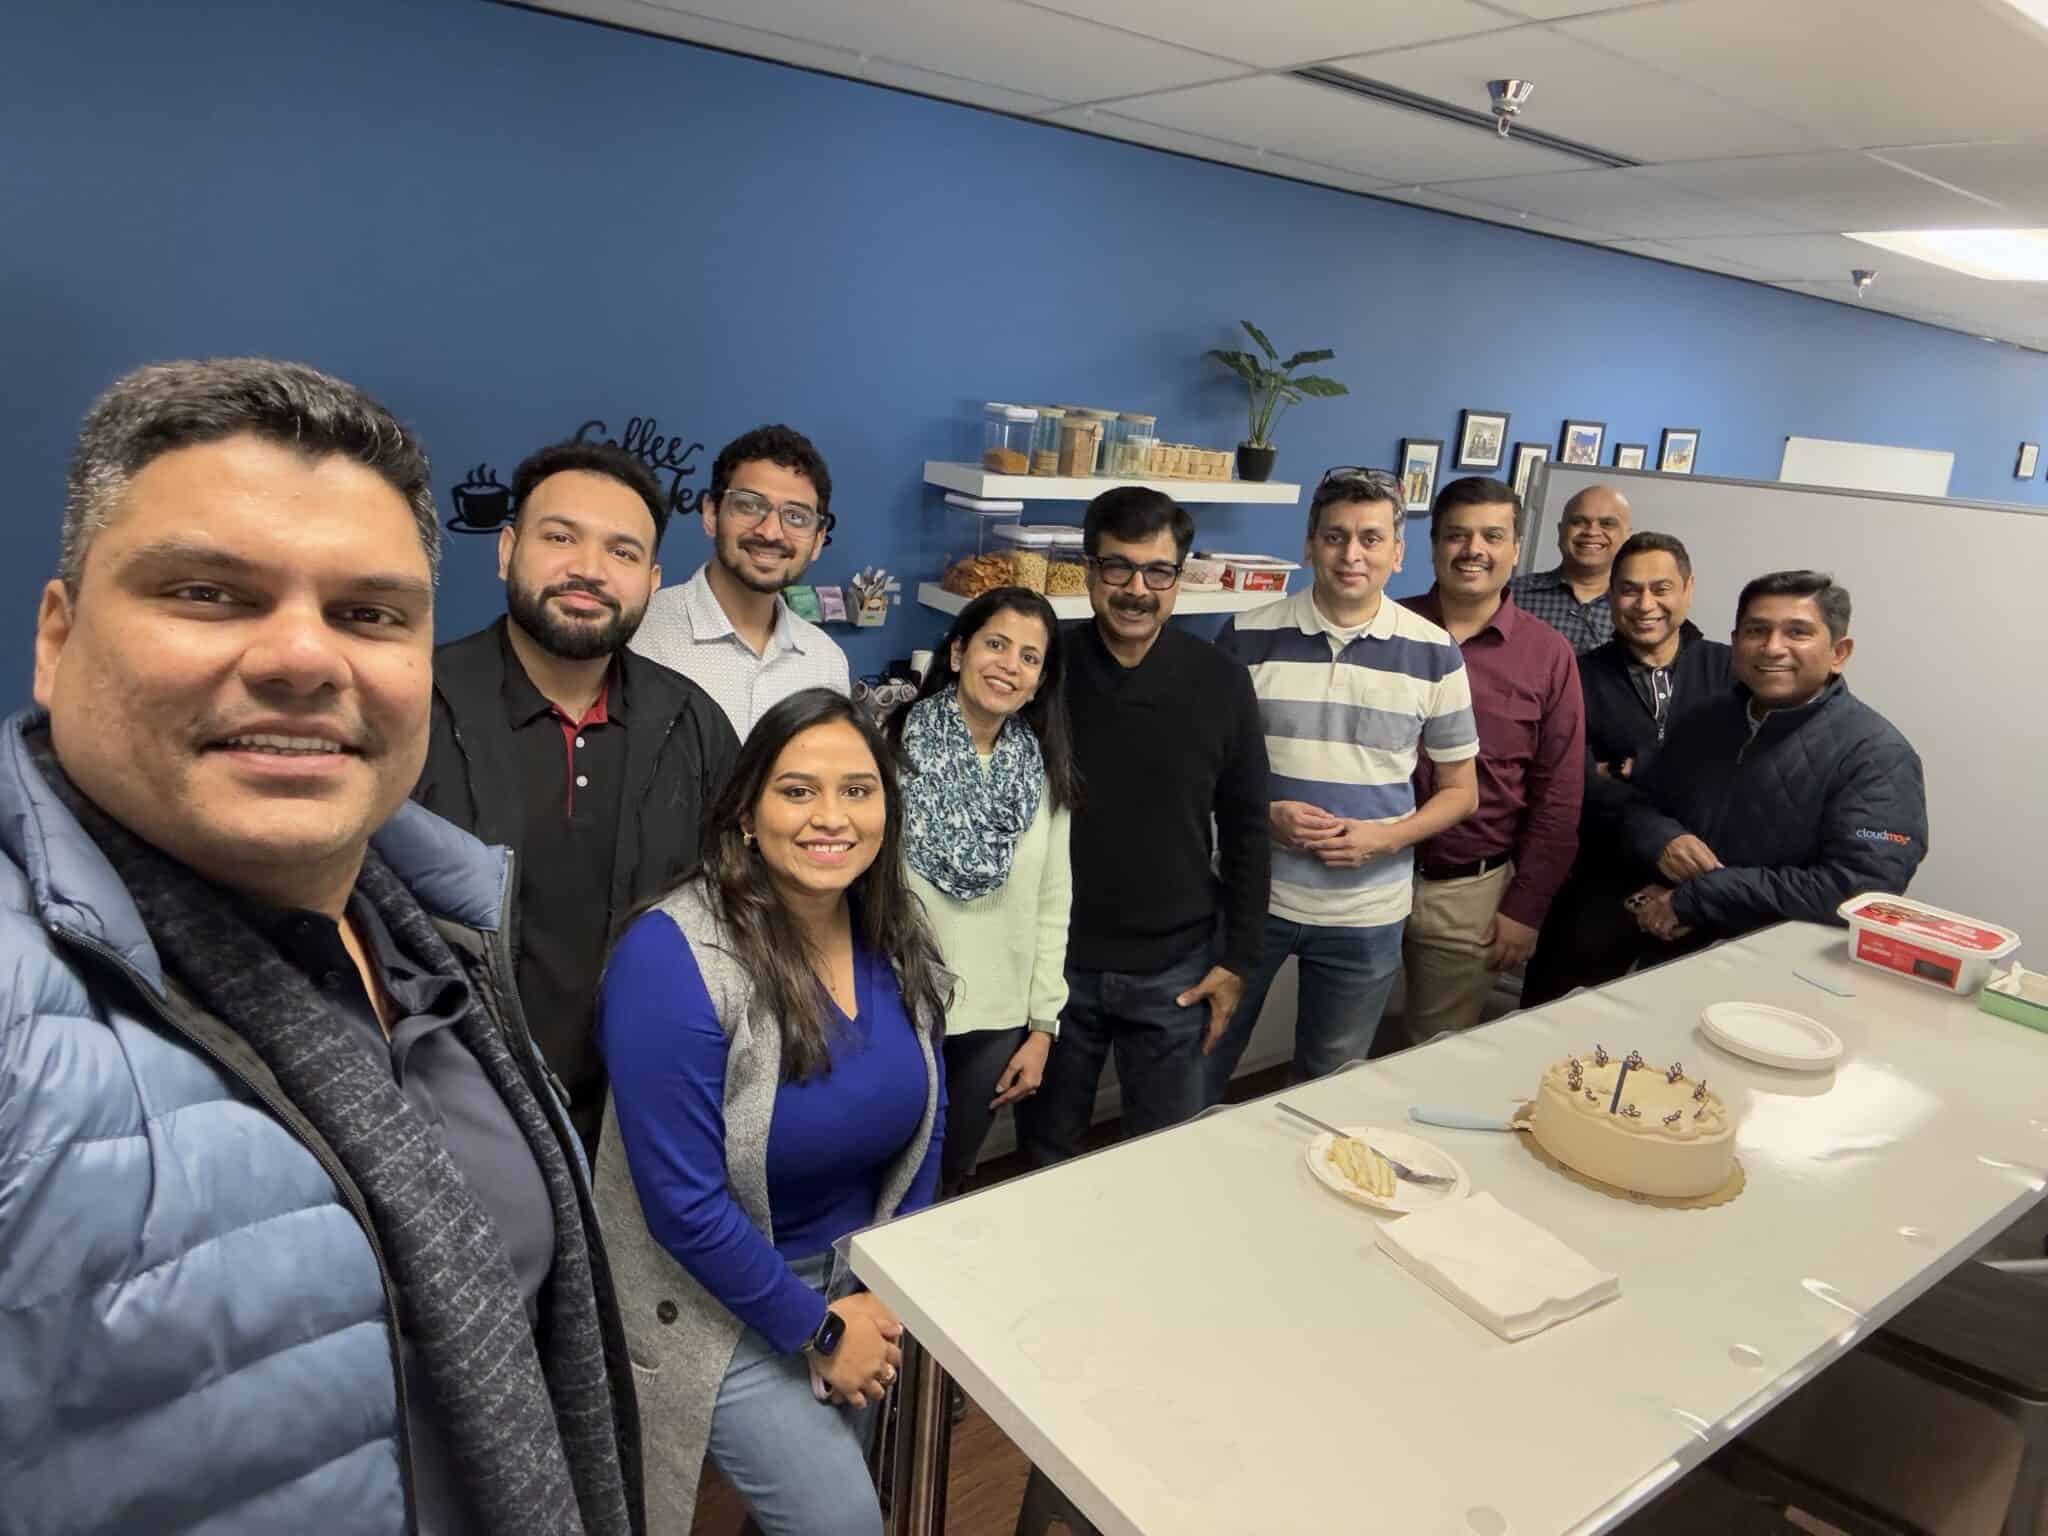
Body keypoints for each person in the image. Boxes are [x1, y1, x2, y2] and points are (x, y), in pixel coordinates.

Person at [2, 359, 639, 1535]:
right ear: (56, 635)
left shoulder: (433, 936)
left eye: (367, 613)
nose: (304, 658)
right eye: (206, 592)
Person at [593, 689, 949, 1536]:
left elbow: (929, 1121)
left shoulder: (893, 927)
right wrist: (821, 1328)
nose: (833, 816)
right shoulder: (673, 954)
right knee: (847, 1524)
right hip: (717, 1302)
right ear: (747, 813)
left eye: (859, 791)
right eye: (798, 790)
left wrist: (884, 1294)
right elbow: (682, 1208)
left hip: (856, 1289)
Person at [415, 437, 737, 1152]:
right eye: (560, 537)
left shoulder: (693, 724)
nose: (589, 569)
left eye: (622, 553)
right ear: (505, 550)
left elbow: (738, 912)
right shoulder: (414, 708)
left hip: (640, 1116)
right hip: (454, 1115)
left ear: (653, 581)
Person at [1016, 486, 1269, 1166]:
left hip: (1177, 971)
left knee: (1164, 1160)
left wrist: (1237, 961)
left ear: (1179, 578)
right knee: (1043, 1154)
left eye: (1158, 571)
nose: (1137, 589)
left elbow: (1247, 828)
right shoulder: (1044, 676)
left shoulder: (1220, 681)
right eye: (1117, 568)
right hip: (1058, 969)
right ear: (1090, 571)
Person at [1205, 468, 1478, 1096]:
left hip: (1367, 912)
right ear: (1309, 545)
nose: (1351, 555)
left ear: (1397, 552)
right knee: (1204, 1059)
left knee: (1329, 1082)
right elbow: (1205, 771)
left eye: (1371, 539)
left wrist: (1385, 839)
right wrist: (1267, 814)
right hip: (1252, 900)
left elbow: (1462, 792)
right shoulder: (1245, 637)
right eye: (1335, 537)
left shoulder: (1435, 653)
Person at [1615, 570, 1927, 949]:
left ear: (1838, 653)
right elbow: (1639, 804)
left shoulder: (1878, 755)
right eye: (1756, 631)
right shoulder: (1703, 720)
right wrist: (1663, 840)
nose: (1772, 647)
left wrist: (1705, 896)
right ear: (1735, 643)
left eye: (1797, 632)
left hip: (1783, 963)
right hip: (1671, 938)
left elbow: (1861, 889)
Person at [888, 587, 1076, 1193]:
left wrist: (1043, 1026)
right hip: (900, 1003)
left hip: (996, 1015)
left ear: (1040, 680)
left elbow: (1053, 902)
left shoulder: (1042, 769)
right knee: (883, 1171)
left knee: (950, 1174)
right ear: (958, 652)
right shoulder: (890, 747)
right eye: (995, 644)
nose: (1009, 666)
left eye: (1029, 657)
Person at [1399, 477, 1585, 1041]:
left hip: (1469, 893)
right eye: (1456, 534)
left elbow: (1559, 794)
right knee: (1335, 1044)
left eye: (1491, 535)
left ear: (1515, 547)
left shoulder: (1547, 655)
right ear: (1433, 544)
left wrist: (1525, 906)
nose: (1473, 549)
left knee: (1435, 1052)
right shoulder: (1384, 630)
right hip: (1361, 875)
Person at [1521, 531, 1731, 1005]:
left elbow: (1741, 780)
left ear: (1688, 589)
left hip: (1704, 893)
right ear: (1611, 594)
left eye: (1661, 588)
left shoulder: (1731, 672)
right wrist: (1655, 832)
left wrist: (1638, 768)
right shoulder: (1576, 676)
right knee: (1552, 1025)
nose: (1645, 604)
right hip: (1594, 890)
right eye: (1630, 589)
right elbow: (1571, 783)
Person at [629, 423, 850, 737]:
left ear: (817, 540)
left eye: (796, 516)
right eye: (749, 505)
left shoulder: (826, 663)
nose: (770, 531)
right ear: (711, 514)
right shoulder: (638, 635)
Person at [1508, 483, 1632, 654]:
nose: (1591, 532)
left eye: (1607, 524)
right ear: (1561, 531)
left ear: (1627, 536)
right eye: (1579, 522)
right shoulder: (1511, 595)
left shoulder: (1638, 606)